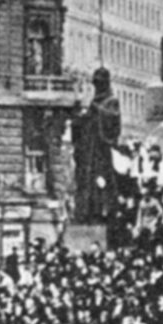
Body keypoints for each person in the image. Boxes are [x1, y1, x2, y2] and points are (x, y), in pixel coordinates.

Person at [72, 67, 121, 224]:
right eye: (96, 83)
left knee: (102, 181)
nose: (97, 86)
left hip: (101, 150)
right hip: (88, 150)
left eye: (100, 83)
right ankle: (86, 211)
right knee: (86, 180)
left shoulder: (111, 101)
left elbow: (113, 120)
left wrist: (97, 111)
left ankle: (104, 211)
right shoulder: (94, 101)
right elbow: (84, 123)